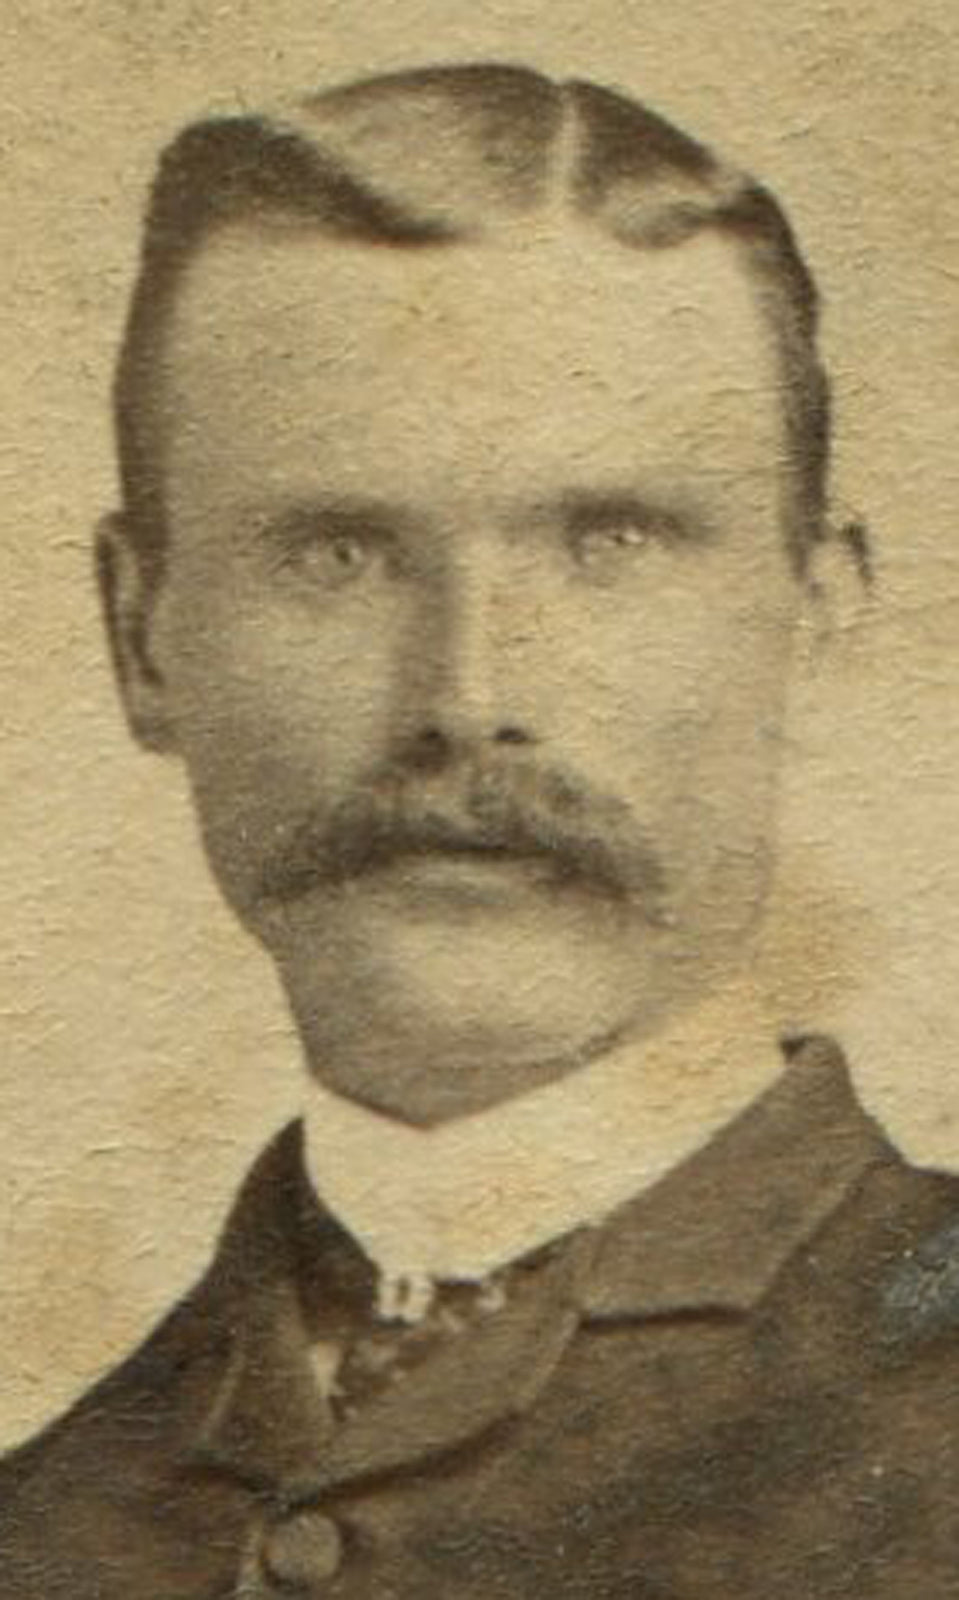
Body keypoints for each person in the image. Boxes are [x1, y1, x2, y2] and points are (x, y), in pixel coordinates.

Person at [1, 60, 956, 1599]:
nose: (468, 694)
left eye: (610, 542)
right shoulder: (50, 1524)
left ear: (813, 620)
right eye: (336, 553)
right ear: (141, 639)